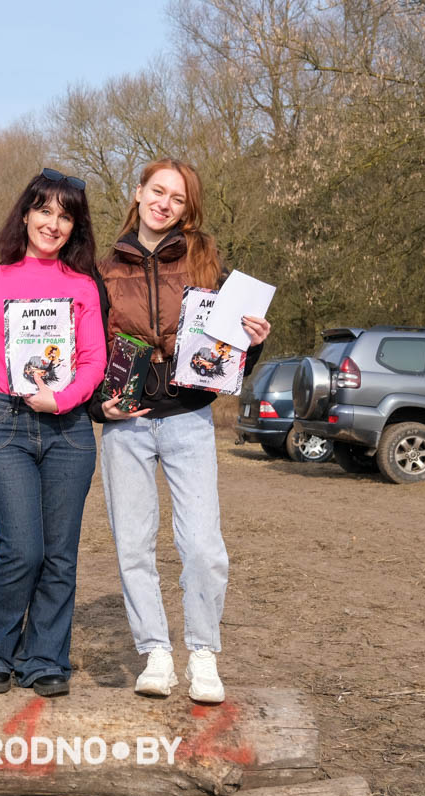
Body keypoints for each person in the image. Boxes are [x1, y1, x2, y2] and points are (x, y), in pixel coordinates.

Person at [88, 158, 271, 702]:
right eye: (157, 191)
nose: (164, 203)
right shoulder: (101, 269)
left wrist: (253, 341)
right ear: (138, 192)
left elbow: (227, 343)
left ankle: (204, 654)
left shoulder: (206, 261)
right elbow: (89, 350)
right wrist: (102, 408)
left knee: (203, 546)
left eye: (178, 198)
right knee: (133, 545)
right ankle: (157, 654)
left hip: (189, 418)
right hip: (127, 425)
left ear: (187, 210)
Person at [0, 169, 106, 697]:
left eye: (65, 215)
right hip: (5, 424)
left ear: (75, 227)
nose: (53, 223)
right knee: (22, 549)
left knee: (59, 554)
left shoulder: (82, 287)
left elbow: (93, 358)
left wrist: (64, 398)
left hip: (69, 429)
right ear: (25, 215)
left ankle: (46, 657)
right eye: (44, 211)